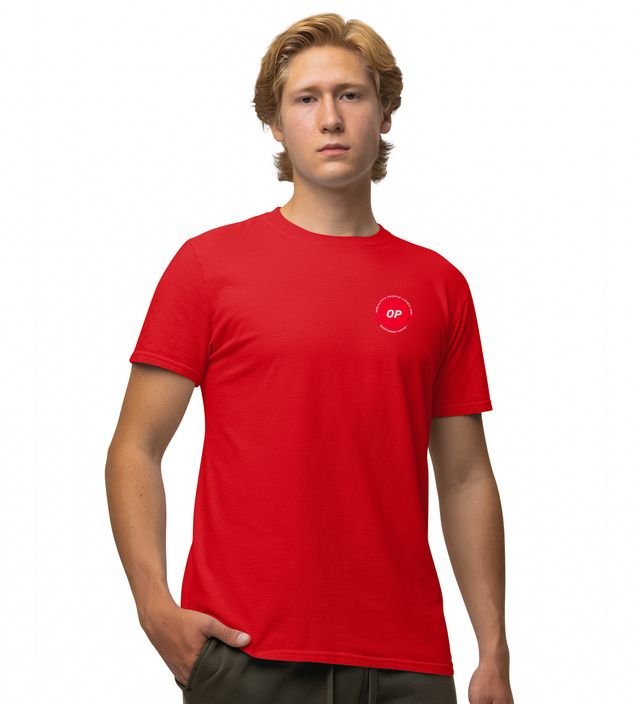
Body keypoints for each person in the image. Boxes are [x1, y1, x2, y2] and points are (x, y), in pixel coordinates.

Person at [105, 12, 514, 704]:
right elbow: (135, 447)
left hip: (407, 663)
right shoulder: (207, 267)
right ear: (274, 122)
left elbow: (466, 476)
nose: (330, 118)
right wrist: (155, 609)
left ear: (384, 113)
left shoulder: (438, 285)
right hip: (245, 654)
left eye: (351, 95)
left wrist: (493, 648)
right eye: (306, 98)